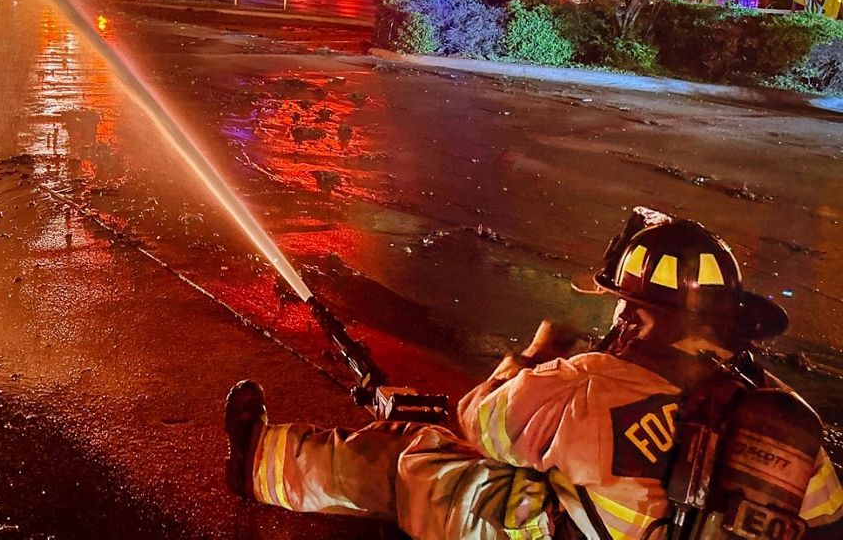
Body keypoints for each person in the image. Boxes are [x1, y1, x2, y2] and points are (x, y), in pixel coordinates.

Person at [223, 210, 843, 539]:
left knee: (421, 458)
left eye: (623, 308)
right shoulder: (777, 411)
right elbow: (824, 519)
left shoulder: (586, 384)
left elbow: (476, 422)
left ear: (638, 317)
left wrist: (532, 357)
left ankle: (263, 462)